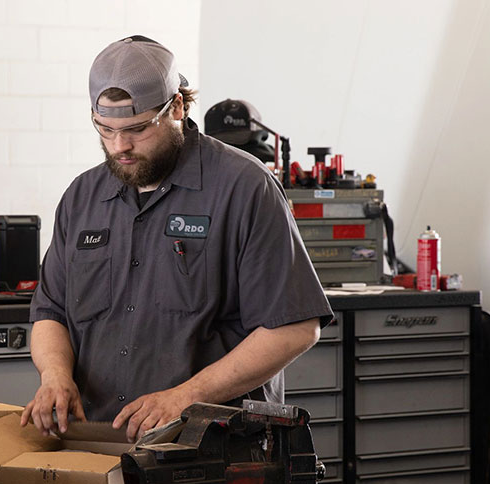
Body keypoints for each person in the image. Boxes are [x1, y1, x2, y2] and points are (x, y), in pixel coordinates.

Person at [21, 36, 332, 442]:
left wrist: (187, 397)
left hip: (212, 449)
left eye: (136, 129)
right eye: (106, 130)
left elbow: (294, 327)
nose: (120, 146)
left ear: (177, 107)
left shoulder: (243, 187)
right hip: (97, 445)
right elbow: (51, 313)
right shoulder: (82, 197)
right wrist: (56, 376)